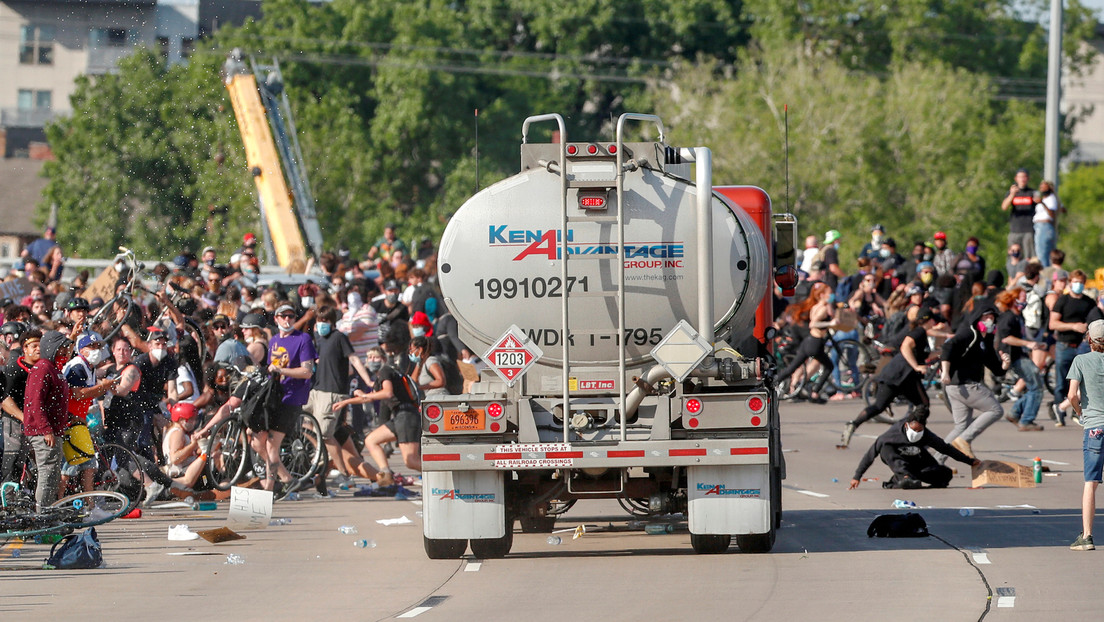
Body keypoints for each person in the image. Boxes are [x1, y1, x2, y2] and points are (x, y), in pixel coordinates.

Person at [840, 307, 940, 447]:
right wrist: (916, 366)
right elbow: (905, 347)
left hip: (895, 374)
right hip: (903, 374)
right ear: (928, 321)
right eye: (933, 320)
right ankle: (914, 437)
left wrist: (940, 352)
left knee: (879, 406)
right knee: (923, 405)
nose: (935, 323)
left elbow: (921, 354)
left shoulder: (918, 332)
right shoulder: (919, 331)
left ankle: (853, 424)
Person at [333, 345, 421, 486]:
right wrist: (347, 402)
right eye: (369, 357)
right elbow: (368, 398)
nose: (372, 360)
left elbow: (387, 393)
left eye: (375, 357)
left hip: (406, 416)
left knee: (411, 461)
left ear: (384, 359)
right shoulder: (385, 375)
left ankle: (441, 474)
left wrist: (365, 395)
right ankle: (386, 474)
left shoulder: (385, 371)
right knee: (371, 440)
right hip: (401, 416)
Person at [307, 305, 371, 489]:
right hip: (316, 391)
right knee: (295, 417)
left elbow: (354, 359)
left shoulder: (339, 338)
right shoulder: (320, 339)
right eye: (319, 321)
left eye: (325, 322)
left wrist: (367, 380)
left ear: (332, 322)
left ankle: (344, 474)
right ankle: (318, 459)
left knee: (326, 434)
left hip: (332, 393)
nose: (321, 325)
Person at [260, 304, 317, 496]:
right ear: (276, 319)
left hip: (292, 398)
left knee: (271, 444)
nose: (287, 320)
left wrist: (281, 370)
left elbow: (307, 371)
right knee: (256, 439)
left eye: (291, 316)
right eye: (283, 316)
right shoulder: (274, 340)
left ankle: (268, 489)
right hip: (274, 395)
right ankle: (287, 479)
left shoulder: (303, 339)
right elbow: (270, 367)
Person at [940, 304, 1009, 459]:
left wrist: (1004, 364)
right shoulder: (969, 333)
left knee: (961, 427)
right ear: (978, 318)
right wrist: (945, 371)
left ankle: (936, 461)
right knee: (995, 410)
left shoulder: (986, 340)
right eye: (986, 317)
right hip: (963, 385)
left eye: (992, 317)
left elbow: (996, 368)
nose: (990, 320)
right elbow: (948, 347)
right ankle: (964, 440)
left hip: (957, 388)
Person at [848, 409, 979, 490]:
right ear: (906, 425)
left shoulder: (927, 435)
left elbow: (946, 449)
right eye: (914, 430)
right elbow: (870, 455)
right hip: (896, 458)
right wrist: (857, 476)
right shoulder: (891, 436)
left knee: (945, 474)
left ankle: (904, 480)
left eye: (919, 430)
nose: (916, 433)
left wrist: (970, 461)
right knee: (886, 449)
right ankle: (904, 477)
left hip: (915, 458)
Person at [22, 330, 72, 509]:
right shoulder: (42, 368)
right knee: (47, 474)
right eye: (62, 348)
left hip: (54, 431)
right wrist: (46, 429)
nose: (65, 351)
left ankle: (48, 514)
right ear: (52, 348)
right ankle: (41, 515)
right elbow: (34, 403)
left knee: (52, 475)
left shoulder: (53, 368)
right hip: (43, 433)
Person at [1067, 320, 1104, 551]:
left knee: (1091, 482)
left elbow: (1072, 395)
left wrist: (1080, 412)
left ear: (1089, 339)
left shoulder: (1080, 360)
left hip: (1094, 427)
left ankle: (1087, 536)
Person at [774, 282, 836, 403]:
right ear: (822, 295)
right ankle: (815, 392)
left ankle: (774, 382)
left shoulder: (817, 306)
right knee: (829, 366)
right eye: (829, 294)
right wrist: (830, 324)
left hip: (808, 342)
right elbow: (813, 323)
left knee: (792, 368)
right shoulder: (822, 309)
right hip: (815, 343)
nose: (831, 295)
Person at [995, 288, 1044, 431]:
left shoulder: (1018, 316)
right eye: (1022, 298)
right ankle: (1026, 420)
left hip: (1019, 355)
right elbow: (1007, 338)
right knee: (1036, 387)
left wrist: (1034, 343)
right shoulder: (1008, 317)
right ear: (1013, 300)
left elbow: (1019, 337)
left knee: (1035, 386)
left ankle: (1015, 412)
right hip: (1013, 356)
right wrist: (1027, 343)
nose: (1025, 301)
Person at [1050, 269, 1094, 426]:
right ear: (1070, 283)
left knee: (1082, 382)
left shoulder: (1089, 302)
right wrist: (1073, 326)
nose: (1078, 285)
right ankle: (1058, 411)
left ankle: (1077, 412)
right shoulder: (1063, 300)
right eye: (1076, 282)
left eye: (1081, 283)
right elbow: (1053, 323)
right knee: (1062, 382)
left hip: (1083, 346)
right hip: (1064, 345)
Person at [1001, 167, 1036, 258]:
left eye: (1024, 177)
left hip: (1029, 230)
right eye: (1020, 177)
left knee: (1029, 257)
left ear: (1027, 178)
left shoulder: (1032, 193)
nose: (1022, 179)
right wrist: (1012, 194)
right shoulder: (1011, 193)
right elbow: (1004, 207)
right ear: (1016, 178)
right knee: (1014, 257)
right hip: (1015, 230)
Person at [1034, 181, 1058, 267]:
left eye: (1044, 187)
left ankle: (1045, 276)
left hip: (1044, 227)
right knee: (1041, 253)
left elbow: (1052, 214)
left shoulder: (1051, 199)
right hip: (1039, 227)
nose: (1042, 189)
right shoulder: (1044, 199)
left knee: (1043, 254)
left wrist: (1042, 203)